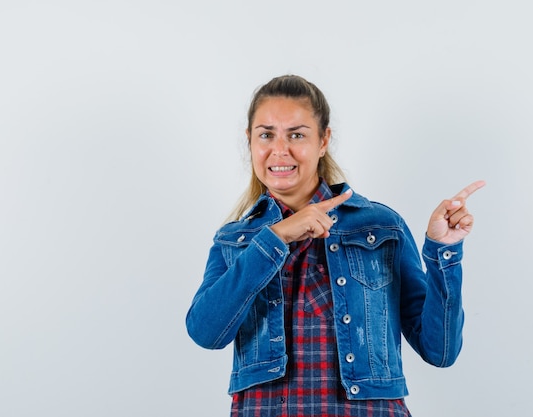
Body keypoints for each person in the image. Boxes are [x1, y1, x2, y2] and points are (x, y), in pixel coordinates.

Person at [186, 74, 485, 417]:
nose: (279, 150)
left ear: (324, 140)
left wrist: (442, 251)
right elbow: (206, 333)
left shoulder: (380, 226)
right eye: (266, 135)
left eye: (296, 135)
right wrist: (276, 238)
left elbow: (440, 351)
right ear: (250, 141)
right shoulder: (235, 240)